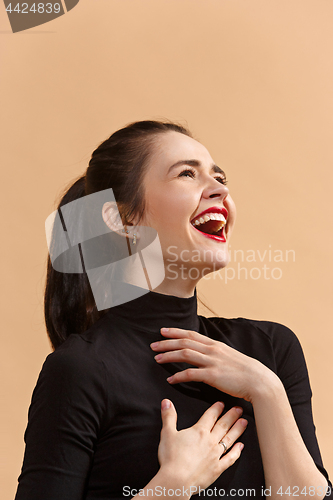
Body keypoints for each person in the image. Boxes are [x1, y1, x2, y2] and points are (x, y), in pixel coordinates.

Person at [15, 120, 331, 500]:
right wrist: (170, 488)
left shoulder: (271, 351)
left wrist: (266, 391)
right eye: (187, 174)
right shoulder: (81, 370)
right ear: (122, 219)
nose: (220, 189)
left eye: (220, 177)